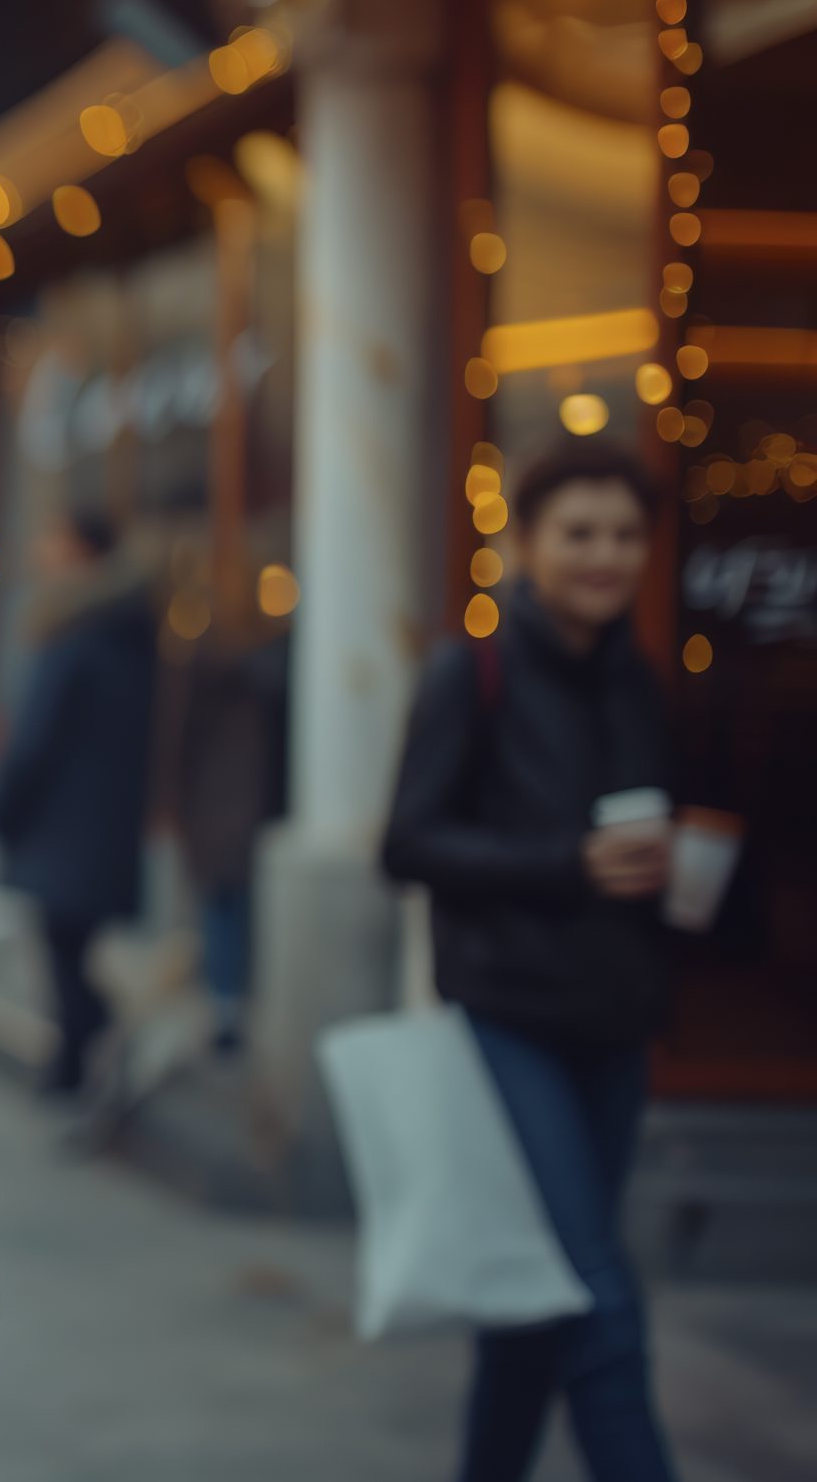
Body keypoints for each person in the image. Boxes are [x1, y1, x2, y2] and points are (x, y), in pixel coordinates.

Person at [381, 438, 680, 1482]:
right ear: (525, 544)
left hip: (615, 1023)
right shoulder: (472, 670)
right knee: (596, 1288)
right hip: (506, 1021)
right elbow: (404, 843)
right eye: (579, 533)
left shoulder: (641, 681)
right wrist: (571, 862)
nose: (604, 555)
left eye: (624, 535)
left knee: (531, 1299)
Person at [0, 507, 157, 1098]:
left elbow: (35, 739)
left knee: (62, 949)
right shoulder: (128, 633)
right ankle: (76, 1062)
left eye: (53, 540)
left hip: (62, 825)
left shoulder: (74, 635)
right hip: (101, 824)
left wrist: (2, 808)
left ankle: (80, 1057)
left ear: (83, 552)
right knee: (69, 948)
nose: (41, 552)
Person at [170, 619, 289, 1054]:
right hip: (247, 816)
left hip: (221, 814)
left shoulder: (218, 686)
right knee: (231, 911)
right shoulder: (269, 684)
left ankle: (225, 1005)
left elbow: (183, 750)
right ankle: (229, 1005)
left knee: (223, 910)